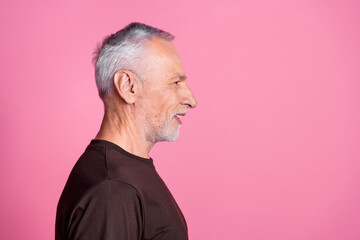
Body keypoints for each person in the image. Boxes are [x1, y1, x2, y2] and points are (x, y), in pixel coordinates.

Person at [55, 22, 197, 240]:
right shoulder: (112, 190)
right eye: (176, 83)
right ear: (128, 86)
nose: (191, 100)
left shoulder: (122, 175)